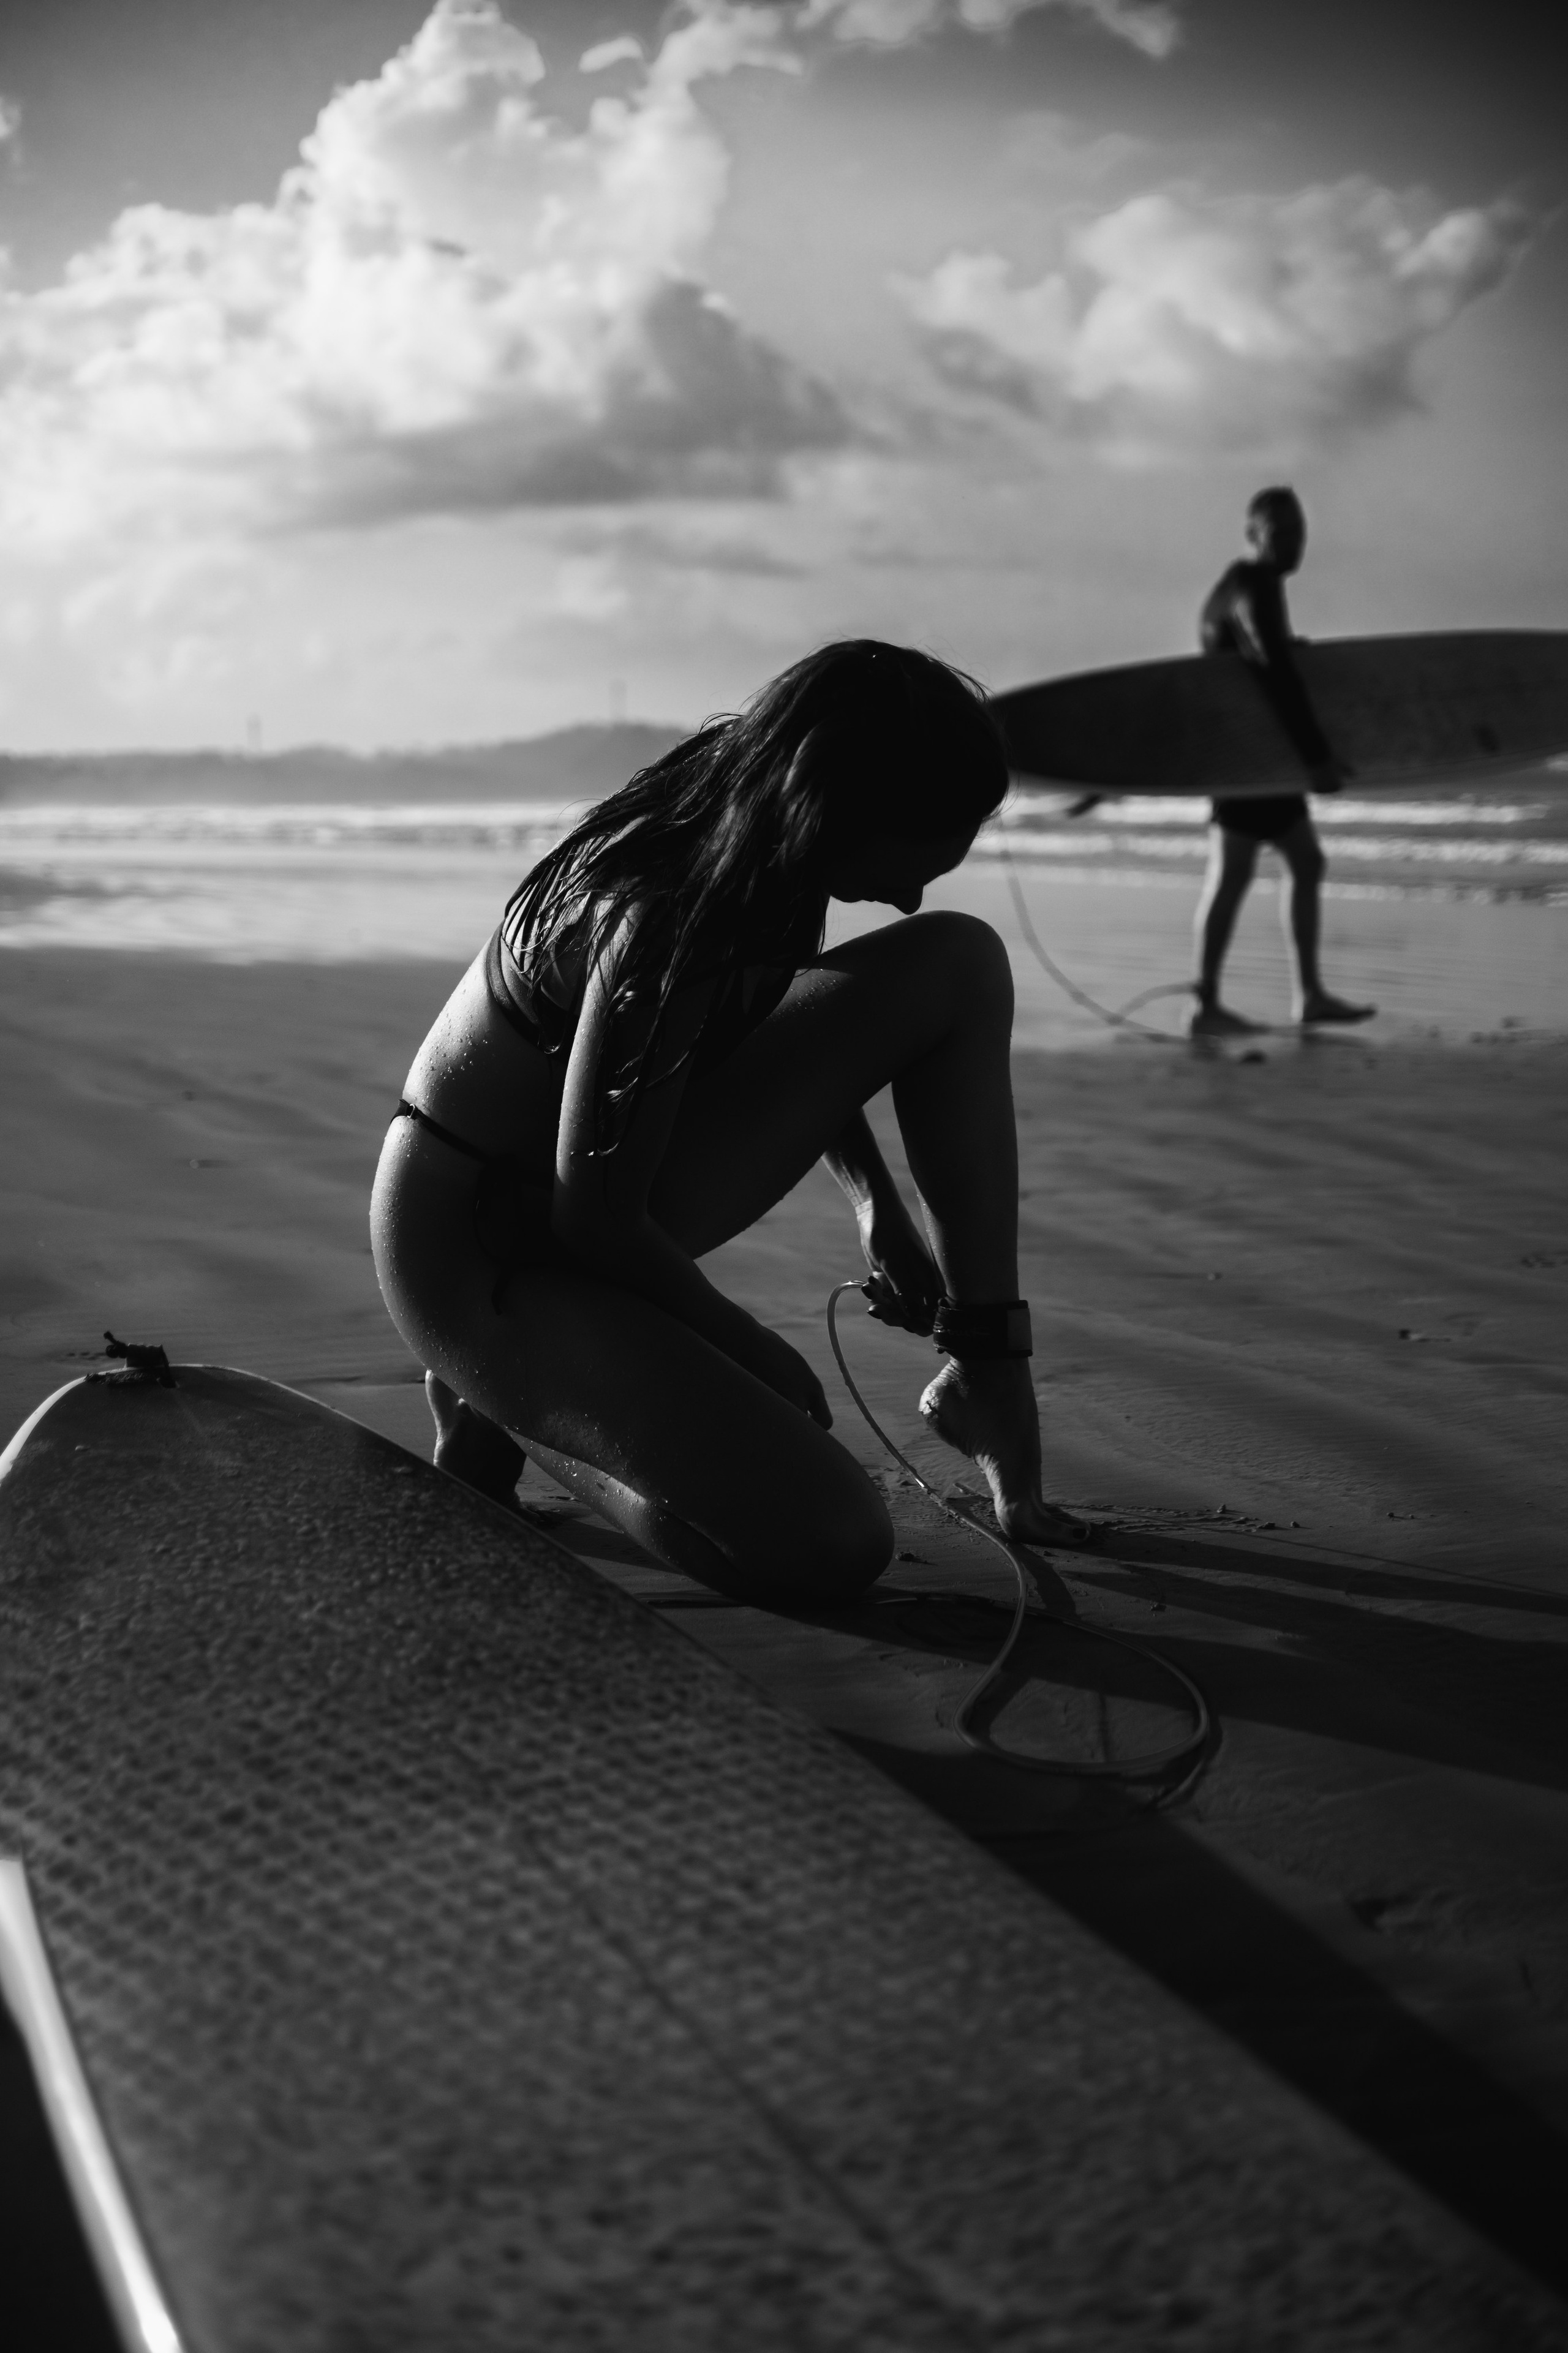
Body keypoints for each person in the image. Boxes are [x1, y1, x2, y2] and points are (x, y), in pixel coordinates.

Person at [370, 640, 1084, 1606]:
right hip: (477, 1246)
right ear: (841, 807)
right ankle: (505, 1401)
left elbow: (735, 1035)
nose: (913, 895)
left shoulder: (764, 842)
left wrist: (875, 1200)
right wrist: (752, 1348)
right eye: (915, 860)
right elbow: (598, 1219)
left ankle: (987, 1374)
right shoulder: (669, 915)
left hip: (578, 1190)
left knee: (957, 959)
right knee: (827, 1545)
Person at [1191, 486, 1375, 1039]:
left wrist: (1289, 646)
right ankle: (1207, 1004)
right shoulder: (1254, 584)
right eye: (1281, 533)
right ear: (1255, 535)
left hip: (1260, 757)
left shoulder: (1238, 588)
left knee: (1302, 861)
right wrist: (1317, 757)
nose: (1294, 543)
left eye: (1300, 533)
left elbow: (1258, 655)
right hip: (1251, 760)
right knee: (1233, 874)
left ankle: (1307, 995)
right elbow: (1270, 667)